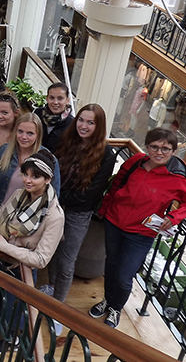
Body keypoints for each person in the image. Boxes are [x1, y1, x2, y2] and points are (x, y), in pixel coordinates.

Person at [91, 128, 186, 328]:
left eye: (165, 149)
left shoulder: (177, 177)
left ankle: (116, 308)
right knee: (110, 265)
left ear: (173, 151)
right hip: (114, 222)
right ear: (147, 146)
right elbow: (117, 184)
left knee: (124, 276)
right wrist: (104, 208)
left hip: (141, 234)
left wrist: (174, 216)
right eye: (154, 146)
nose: (159, 152)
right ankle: (107, 300)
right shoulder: (134, 162)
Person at [36, 104, 116, 326]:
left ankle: (57, 308)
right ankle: (51, 288)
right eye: (81, 120)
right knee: (51, 251)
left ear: (99, 126)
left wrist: (57, 197)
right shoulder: (66, 140)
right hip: (53, 205)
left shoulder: (106, 154)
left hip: (77, 214)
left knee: (67, 260)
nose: (84, 125)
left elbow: (89, 194)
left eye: (91, 122)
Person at [0, 150, 65, 354]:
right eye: (25, 174)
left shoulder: (55, 216)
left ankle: (12, 340)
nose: (28, 180)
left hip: (20, 271)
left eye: (35, 176)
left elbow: (41, 259)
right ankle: (6, 333)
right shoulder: (19, 194)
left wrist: (3, 246)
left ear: (48, 179)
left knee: (14, 311)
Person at [0, 113, 60, 228]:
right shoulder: (4, 150)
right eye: (20, 131)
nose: (23, 137)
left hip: (26, 220)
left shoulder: (48, 159)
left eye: (30, 133)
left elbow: (53, 195)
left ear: (38, 135)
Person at [33, 82, 73, 153]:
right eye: (52, 98)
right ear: (47, 99)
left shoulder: (71, 124)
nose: (55, 102)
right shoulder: (37, 114)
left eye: (60, 98)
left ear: (67, 101)